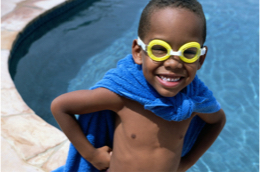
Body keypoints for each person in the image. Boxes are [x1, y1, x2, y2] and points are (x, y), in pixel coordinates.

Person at [51, 0, 226, 171]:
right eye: (159, 49)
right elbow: (60, 107)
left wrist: (187, 162)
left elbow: (217, 121)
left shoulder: (193, 101)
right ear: (138, 52)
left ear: (200, 59)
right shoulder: (123, 96)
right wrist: (92, 155)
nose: (173, 63)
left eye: (188, 52)